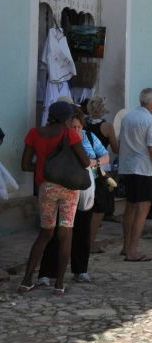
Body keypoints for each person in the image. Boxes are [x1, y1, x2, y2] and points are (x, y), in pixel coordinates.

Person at [18, 101, 90, 294]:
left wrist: (45, 168)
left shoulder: (34, 133)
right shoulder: (70, 134)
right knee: (65, 234)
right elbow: (85, 161)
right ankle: (59, 284)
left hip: (46, 187)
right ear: (67, 118)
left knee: (44, 234)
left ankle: (26, 281)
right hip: (68, 188)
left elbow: (25, 165)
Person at [39, 109, 109, 284]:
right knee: (56, 232)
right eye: (73, 126)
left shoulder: (89, 137)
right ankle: (48, 272)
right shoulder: (62, 138)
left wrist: (97, 163)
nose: (76, 130)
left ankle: (80, 270)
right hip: (63, 189)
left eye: (79, 126)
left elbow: (105, 155)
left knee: (82, 231)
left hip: (85, 188)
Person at [118, 88, 152, 262]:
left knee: (130, 207)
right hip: (144, 169)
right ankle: (132, 250)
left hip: (127, 167)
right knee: (142, 209)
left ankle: (126, 246)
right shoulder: (151, 121)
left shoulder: (127, 117)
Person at [85, 96, 119, 253]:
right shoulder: (107, 127)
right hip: (101, 169)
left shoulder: (83, 124)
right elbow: (115, 148)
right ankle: (90, 243)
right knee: (99, 208)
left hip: (84, 166)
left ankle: (83, 240)